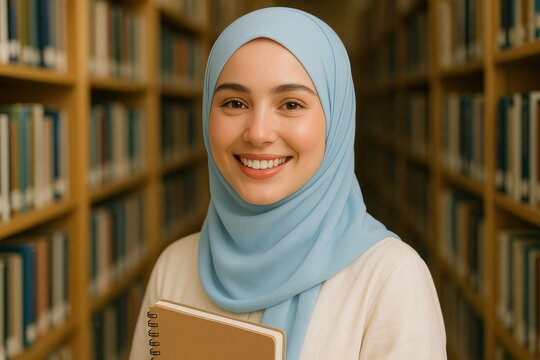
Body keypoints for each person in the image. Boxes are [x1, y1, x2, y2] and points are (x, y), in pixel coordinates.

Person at [129, 7, 446, 360]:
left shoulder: (391, 279)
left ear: (336, 121)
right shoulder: (174, 267)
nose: (259, 133)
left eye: (291, 104)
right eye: (235, 103)